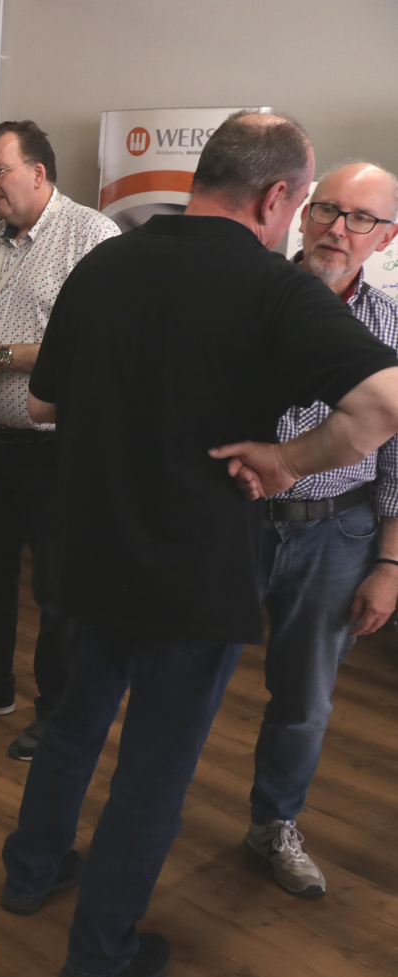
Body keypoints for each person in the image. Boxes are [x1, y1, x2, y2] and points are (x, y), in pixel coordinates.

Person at [1, 112, 398, 977]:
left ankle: (31, 873)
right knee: (154, 766)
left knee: (72, 726)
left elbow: (42, 402)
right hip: (195, 567)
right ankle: (99, 954)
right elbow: (386, 404)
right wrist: (287, 460)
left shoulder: (104, 262)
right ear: (276, 197)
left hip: (93, 546)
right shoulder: (273, 289)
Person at [0, 120, 120, 762]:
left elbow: (92, 344)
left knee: (58, 590)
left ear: (38, 172)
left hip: (57, 448)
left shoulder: (91, 235)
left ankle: (57, 714)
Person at [244, 161, 398, 898]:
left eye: (361, 218)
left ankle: (274, 823)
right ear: (301, 214)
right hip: (235, 525)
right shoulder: (249, 300)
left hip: (338, 536)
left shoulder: (392, 327)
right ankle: (151, 817)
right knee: (184, 675)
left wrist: (390, 565)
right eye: (328, 209)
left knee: (305, 702)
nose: (339, 228)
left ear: (387, 237)